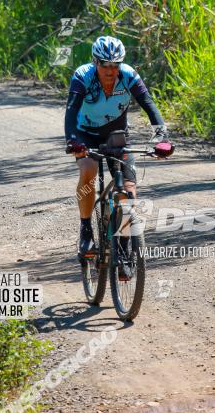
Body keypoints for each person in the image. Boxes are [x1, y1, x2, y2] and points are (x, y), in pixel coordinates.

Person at [64, 36, 169, 265]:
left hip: (116, 136)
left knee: (128, 191)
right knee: (89, 170)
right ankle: (85, 230)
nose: (111, 71)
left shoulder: (129, 75)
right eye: (105, 65)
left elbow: (149, 104)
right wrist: (73, 141)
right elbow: (71, 112)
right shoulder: (83, 76)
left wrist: (161, 137)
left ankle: (123, 248)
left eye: (115, 65)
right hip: (85, 134)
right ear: (95, 61)